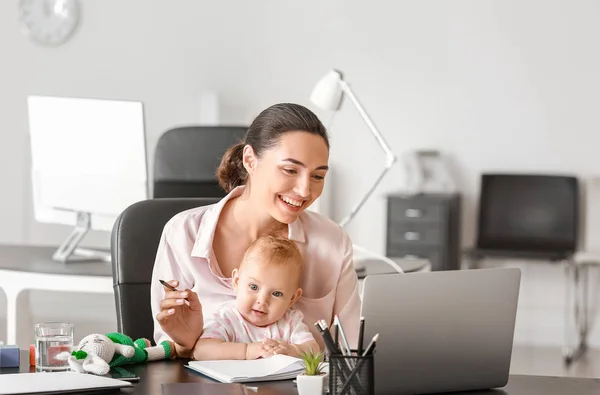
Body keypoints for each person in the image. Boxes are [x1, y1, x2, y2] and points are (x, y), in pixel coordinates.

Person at [151, 102, 360, 358]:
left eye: (317, 176)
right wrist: (185, 342)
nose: (305, 190)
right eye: (290, 170)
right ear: (250, 160)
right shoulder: (183, 233)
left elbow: (350, 348)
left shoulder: (333, 242)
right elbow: (167, 350)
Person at [193, 236, 319, 360]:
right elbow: (201, 350)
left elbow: (314, 349)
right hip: (235, 380)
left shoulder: (290, 322)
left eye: (276, 294)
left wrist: (294, 350)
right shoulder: (226, 318)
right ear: (236, 281)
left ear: (292, 298)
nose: (262, 301)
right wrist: (246, 351)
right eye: (254, 287)